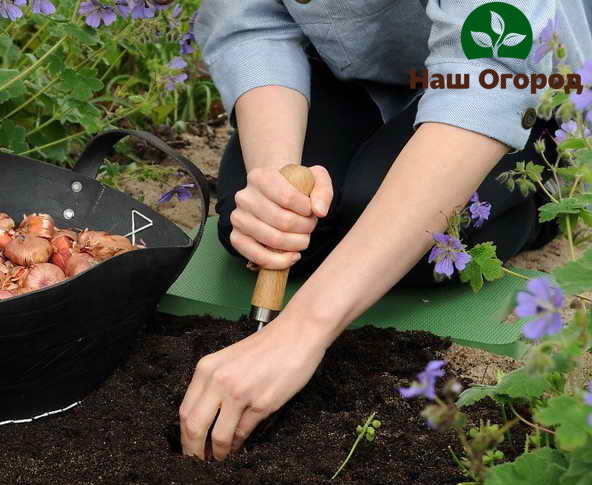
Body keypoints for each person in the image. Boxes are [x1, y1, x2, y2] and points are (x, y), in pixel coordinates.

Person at [178, 0, 592, 461]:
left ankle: (539, 190)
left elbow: (488, 80)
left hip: (505, 80)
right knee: (269, 227)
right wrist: (278, 190)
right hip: (347, 69)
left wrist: (299, 333)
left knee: (424, 249)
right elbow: (250, 23)